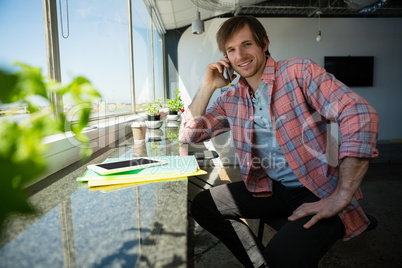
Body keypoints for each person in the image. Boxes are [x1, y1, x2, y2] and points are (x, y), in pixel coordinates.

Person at [179, 15, 379, 268]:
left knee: (283, 259)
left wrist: (342, 195)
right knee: (204, 205)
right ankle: (260, 264)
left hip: (315, 189)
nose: (240, 55)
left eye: (247, 44)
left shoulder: (299, 72)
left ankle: (342, 216)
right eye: (231, 50)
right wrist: (207, 86)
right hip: (270, 188)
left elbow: (359, 113)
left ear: (264, 44)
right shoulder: (232, 97)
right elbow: (191, 135)